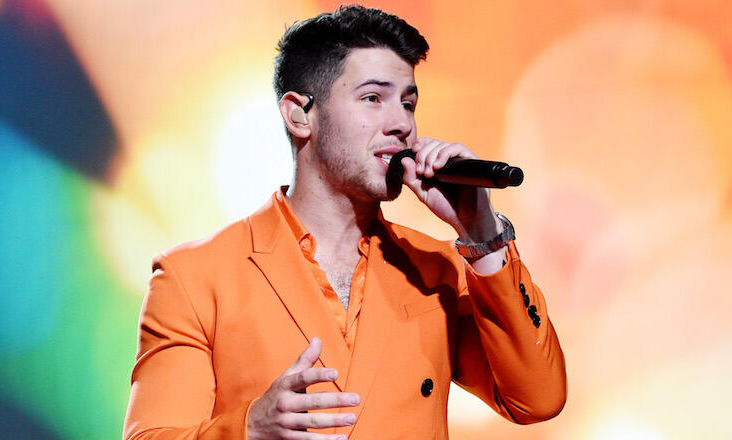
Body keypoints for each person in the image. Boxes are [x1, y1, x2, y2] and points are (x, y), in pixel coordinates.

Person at [123, 5, 566, 440]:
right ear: (299, 114)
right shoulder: (194, 278)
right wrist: (249, 429)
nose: (401, 124)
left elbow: (538, 399)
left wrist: (481, 232)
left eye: (408, 103)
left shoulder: (439, 269)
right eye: (373, 98)